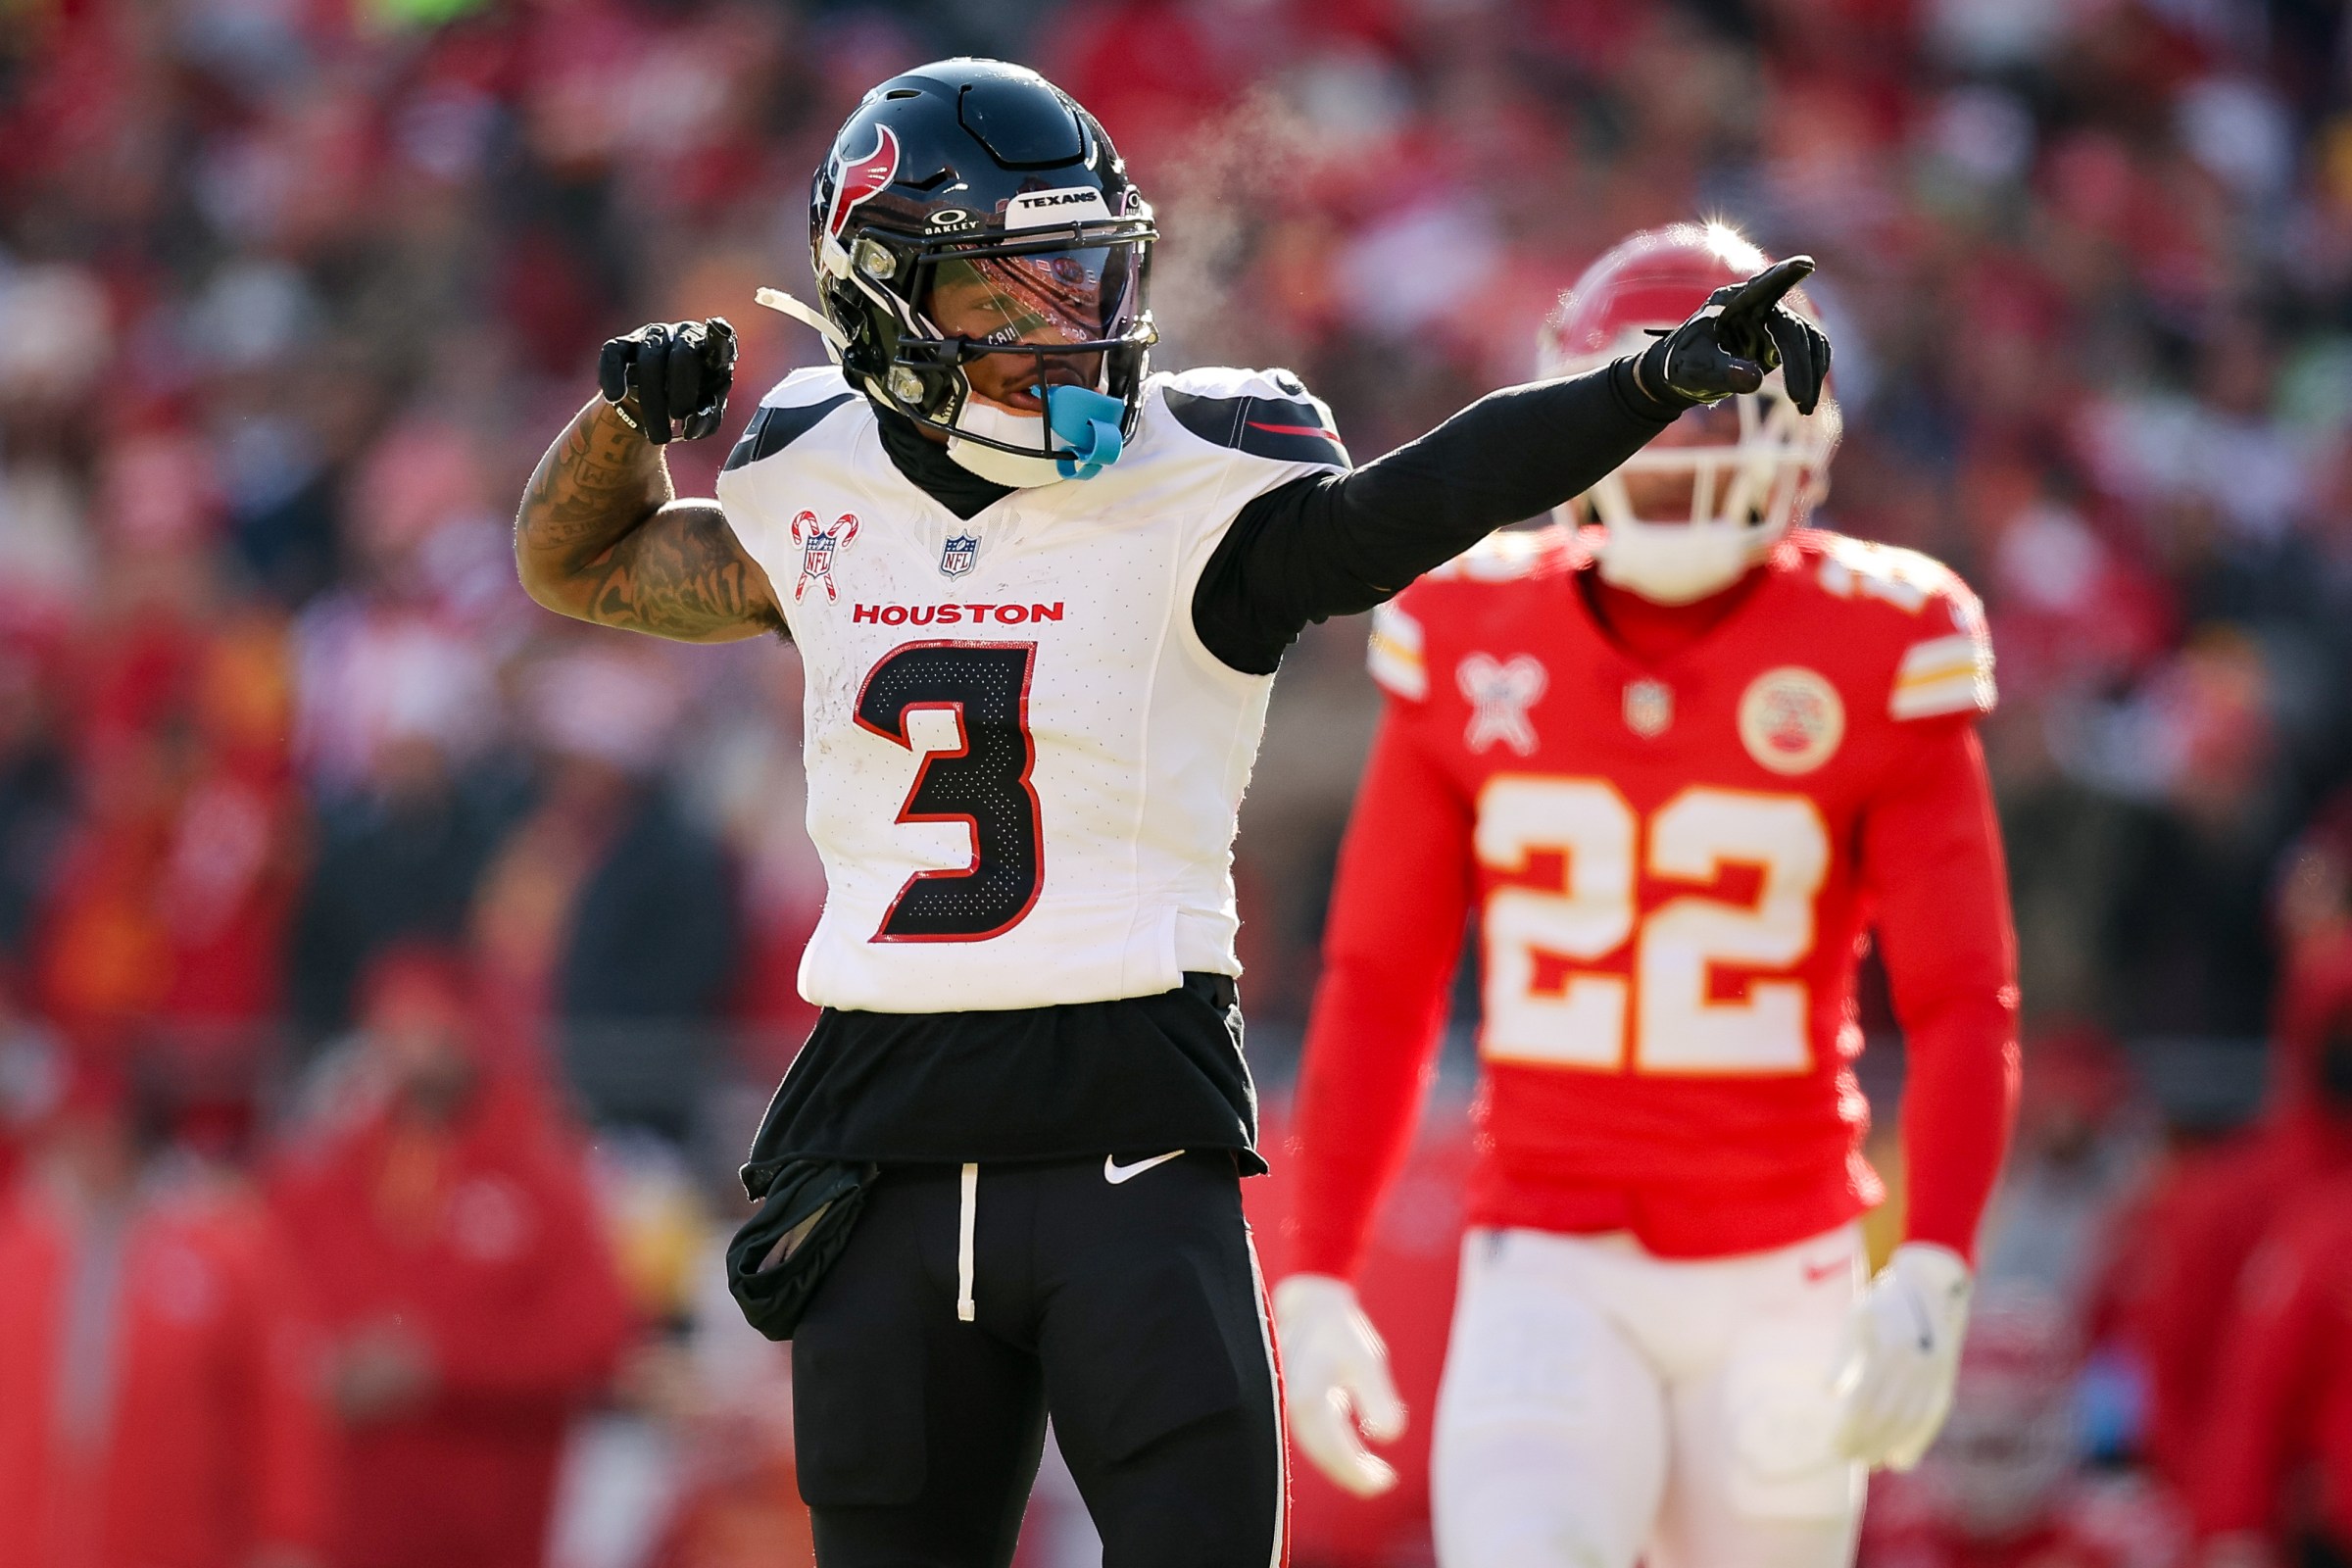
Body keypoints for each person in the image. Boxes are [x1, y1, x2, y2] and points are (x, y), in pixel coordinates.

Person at [511, 59, 1828, 1566]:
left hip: (1128, 1107)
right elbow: (578, 564)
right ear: (885, 302)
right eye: (1010, 291)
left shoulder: (1197, 478)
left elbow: (1405, 508)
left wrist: (1639, 389)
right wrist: (621, 423)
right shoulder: (816, 474)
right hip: (878, 1128)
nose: (1068, 322)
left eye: (1084, 271)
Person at [1271, 224, 2013, 1568]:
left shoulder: (1882, 638)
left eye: (1718, 407)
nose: (1681, 449)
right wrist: (1319, 1266)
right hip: (1547, 1259)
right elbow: (1381, 981)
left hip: (1784, 1261)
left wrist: (1936, 1255)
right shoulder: (1469, 626)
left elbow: (1965, 995)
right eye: (1663, 404)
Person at [268, 946, 633, 1568]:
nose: (410, 1048)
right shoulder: (329, 1173)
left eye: (428, 1026)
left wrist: (440, 1363)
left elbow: (597, 1337)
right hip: (348, 1527)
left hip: (489, 1526)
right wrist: (320, 1367)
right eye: (393, 1027)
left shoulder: (540, 1172)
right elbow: (266, 1313)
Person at [0, 1047, 329, 1568]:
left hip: (177, 1542)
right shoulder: (16, 1241)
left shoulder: (223, 1243)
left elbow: (279, 1408)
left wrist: (289, 1535)